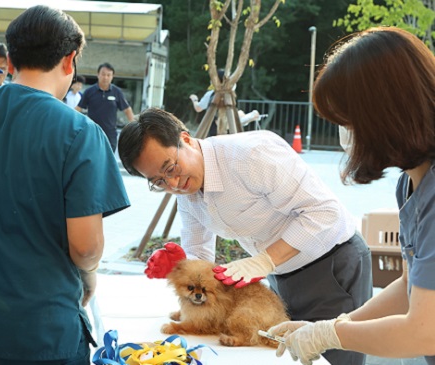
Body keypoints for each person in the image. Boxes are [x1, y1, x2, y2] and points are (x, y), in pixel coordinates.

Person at [0, 5, 130, 364]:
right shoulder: (80, 133)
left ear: (9, 60)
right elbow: (85, 248)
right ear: (70, 61)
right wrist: (90, 272)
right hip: (39, 328)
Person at [118, 108, 372, 365]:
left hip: (331, 266)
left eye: (171, 167)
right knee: (290, 356)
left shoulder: (251, 155)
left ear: (185, 138)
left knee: (334, 359)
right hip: (280, 278)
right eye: (159, 182)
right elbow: (200, 253)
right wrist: (181, 266)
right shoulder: (188, 194)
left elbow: (324, 212)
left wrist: (264, 261)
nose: (172, 184)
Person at [267, 27, 435, 365]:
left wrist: (332, 335)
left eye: (348, 120)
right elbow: (410, 286)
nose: (347, 133)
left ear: (385, 114)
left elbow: (423, 330)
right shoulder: (412, 182)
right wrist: (335, 325)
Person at [76, 62, 135, 152]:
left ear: (112, 76)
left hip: (110, 135)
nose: (105, 77)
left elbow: (127, 110)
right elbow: (78, 109)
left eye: (108, 75)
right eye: (103, 74)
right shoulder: (89, 92)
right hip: (92, 133)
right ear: (98, 75)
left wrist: (134, 128)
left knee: (108, 162)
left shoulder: (117, 92)